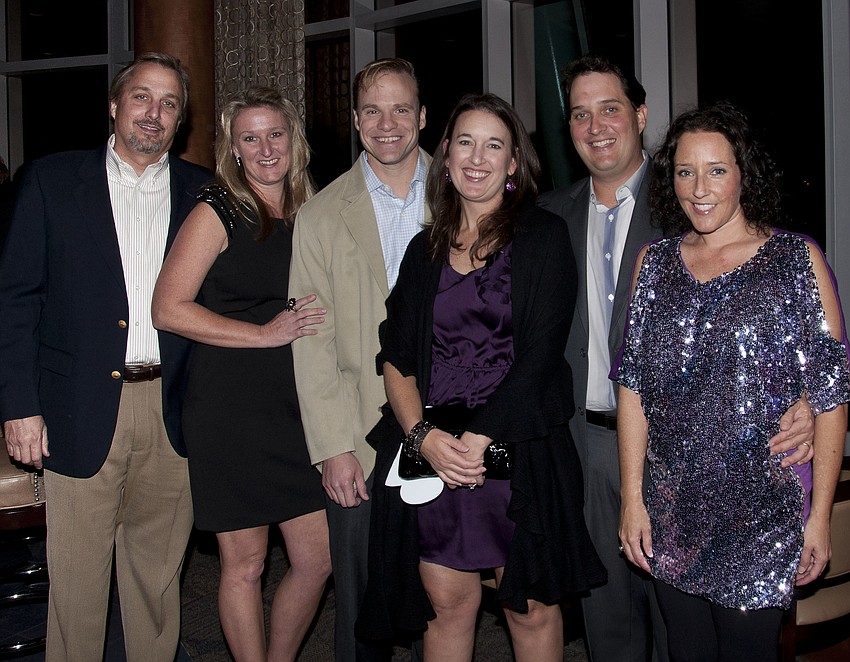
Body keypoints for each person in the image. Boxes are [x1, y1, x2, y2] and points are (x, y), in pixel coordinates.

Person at [538, 55, 816, 662]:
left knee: (684, 638)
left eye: (610, 108)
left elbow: (790, 328)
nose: (596, 125)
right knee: (607, 622)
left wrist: (802, 402)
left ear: (639, 115)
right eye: (580, 114)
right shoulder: (547, 218)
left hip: (696, 467)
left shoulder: (687, 206)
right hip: (584, 446)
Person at [358, 92, 607, 662]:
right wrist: (423, 436)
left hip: (516, 447)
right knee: (445, 602)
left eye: (493, 144)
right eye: (464, 142)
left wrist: (477, 441)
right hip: (437, 448)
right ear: (445, 157)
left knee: (530, 607)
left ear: (514, 161)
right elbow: (396, 357)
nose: (477, 157)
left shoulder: (543, 239)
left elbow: (541, 356)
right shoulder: (424, 250)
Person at [616, 101, 850, 661]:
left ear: (744, 173)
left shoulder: (796, 260)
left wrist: (818, 522)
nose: (699, 188)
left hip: (763, 516)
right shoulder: (654, 263)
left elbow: (832, 395)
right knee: (687, 651)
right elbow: (632, 389)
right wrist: (631, 500)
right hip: (673, 512)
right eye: (684, 171)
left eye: (717, 170)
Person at [0, 52, 210, 661]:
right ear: (114, 106)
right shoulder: (50, 180)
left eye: (170, 103)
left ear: (181, 118)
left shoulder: (205, 191)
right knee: (77, 586)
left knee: (157, 583)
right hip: (75, 408)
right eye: (143, 97)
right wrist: (19, 406)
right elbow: (15, 300)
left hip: (173, 412)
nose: (155, 113)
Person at [151, 86, 331, 662]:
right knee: (246, 562)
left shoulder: (311, 206)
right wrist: (264, 333)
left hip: (297, 405)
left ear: (293, 139)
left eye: (274, 134)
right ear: (232, 147)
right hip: (229, 406)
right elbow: (168, 307)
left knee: (317, 558)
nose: (265, 148)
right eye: (249, 138)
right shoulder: (218, 206)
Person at [289, 58, 429, 661]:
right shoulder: (320, 214)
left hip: (447, 429)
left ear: (423, 117)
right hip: (357, 438)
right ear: (354, 120)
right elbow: (310, 341)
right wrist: (332, 448)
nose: (388, 123)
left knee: (446, 599)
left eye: (401, 108)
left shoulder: (465, 195)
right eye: (372, 110)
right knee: (360, 609)